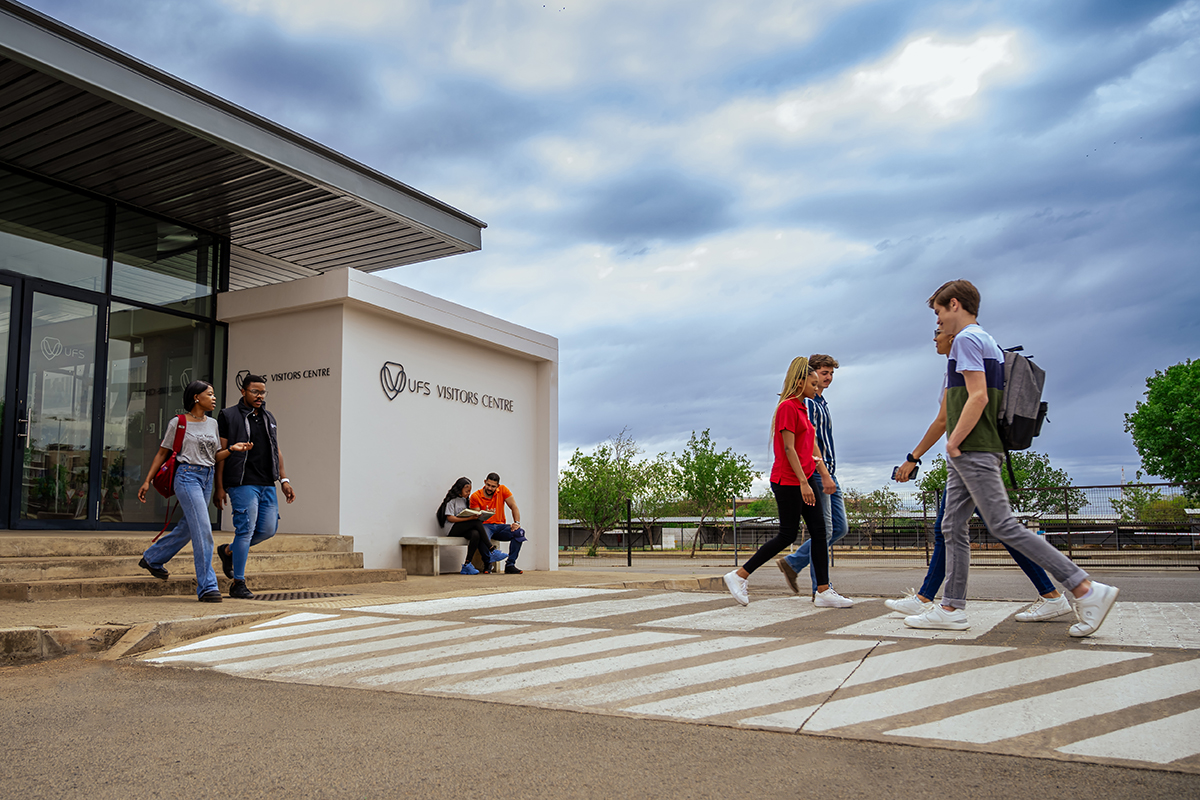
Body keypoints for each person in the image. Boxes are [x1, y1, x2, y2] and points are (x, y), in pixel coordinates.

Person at [903, 280, 1117, 636]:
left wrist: (954, 442)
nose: (937, 321)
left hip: (973, 447)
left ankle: (1084, 588)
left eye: (938, 312)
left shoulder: (966, 340)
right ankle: (951, 608)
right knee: (951, 526)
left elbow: (978, 396)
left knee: (1002, 525)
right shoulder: (987, 340)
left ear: (954, 304)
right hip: (976, 448)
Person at [891, 328, 1072, 622]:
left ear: (952, 335)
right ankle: (927, 598)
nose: (934, 337)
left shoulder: (965, 359)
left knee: (991, 528)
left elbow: (946, 418)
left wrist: (916, 457)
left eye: (938, 329)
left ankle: (1069, 590)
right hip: (974, 455)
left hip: (972, 455)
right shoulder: (968, 363)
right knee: (954, 528)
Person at [723, 357, 853, 608]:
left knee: (820, 532)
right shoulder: (787, 407)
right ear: (800, 381)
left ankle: (823, 591)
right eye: (813, 384)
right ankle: (739, 575)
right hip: (788, 480)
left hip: (806, 477)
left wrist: (819, 474)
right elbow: (789, 449)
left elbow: (810, 446)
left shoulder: (803, 408)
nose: (816, 388)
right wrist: (804, 483)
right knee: (787, 534)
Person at [137, 381, 253, 602]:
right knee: (203, 529)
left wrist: (232, 449)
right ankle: (208, 586)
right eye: (210, 394)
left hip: (206, 478)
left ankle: (152, 558)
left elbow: (214, 456)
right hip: (187, 476)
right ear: (196, 398)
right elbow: (162, 453)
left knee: (189, 528)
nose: (214, 398)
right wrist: (147, 481)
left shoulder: (212, 424)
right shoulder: (178, 422)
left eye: (214, 394)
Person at [214, 374, 296, 600]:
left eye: (263, 392)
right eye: (255, 392)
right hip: (242, 482)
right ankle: (238, 583)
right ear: (243, 391)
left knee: (268, 529)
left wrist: (284, 480)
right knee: (245, 530)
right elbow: (220, 454)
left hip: (267, 482)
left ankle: (228, 551)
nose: (260, 396)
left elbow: (276, 450)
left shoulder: (269, 417)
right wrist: (219, 486)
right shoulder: (228, 415)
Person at [778, 354, 848, 599]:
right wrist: (822, 473)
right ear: (811, 374)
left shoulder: (821, 402)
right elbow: (809, 441)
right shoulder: (806, 403)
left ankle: (794, 562)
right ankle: (821, 589)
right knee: (823, 530)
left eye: (831, 374)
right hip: (818, 472)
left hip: (829, 470)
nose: (828, 378)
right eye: (824, 373)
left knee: (840, 527)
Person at [437, 477, 507, 575]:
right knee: (476, 523)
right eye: (466, 491)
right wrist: (470, 519)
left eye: (469, 491)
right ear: (459, 489)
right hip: (451, 529)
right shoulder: (452, 501)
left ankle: (467, 564)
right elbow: (450, 518)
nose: (468, 493)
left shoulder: (465, 500)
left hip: (461, 528)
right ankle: (492, 550)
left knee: (475, 534)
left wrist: (484, 514)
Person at [470, 473, 527, 574]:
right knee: (482, 534)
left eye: (493, 486)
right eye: (488, 485)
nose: (490, 488)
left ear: (498, 486)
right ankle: (488, 563)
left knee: (519, 532)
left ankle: (510, 564)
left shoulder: (503, 490)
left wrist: (516, 523)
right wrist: (485, 514)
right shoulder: (475, 496)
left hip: (500, 526)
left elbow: (514, 506)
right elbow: (476, 519)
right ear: (485, 482)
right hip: (485, 526)